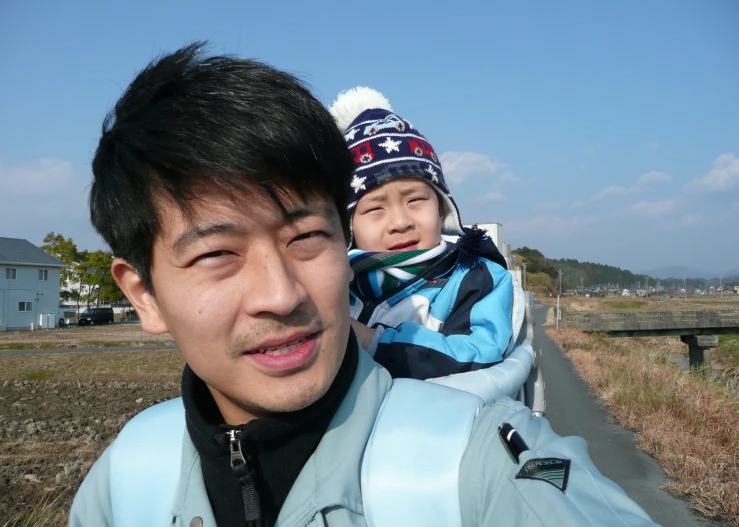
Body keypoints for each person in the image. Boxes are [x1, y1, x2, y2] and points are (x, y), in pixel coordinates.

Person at [69, 43, 658, 527]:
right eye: (218, 253)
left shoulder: (473, 457)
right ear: (144, 294)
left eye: (305, 238)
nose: (282, 294)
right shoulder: (127, 478)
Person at [329, 87, 515, 381]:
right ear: (348, 227)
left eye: (415, 200)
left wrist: (371, 341)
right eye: (375, 209)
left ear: (442, 209)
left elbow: (484, 356)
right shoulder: (337, 285)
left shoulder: (475, 278)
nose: (400, 222)